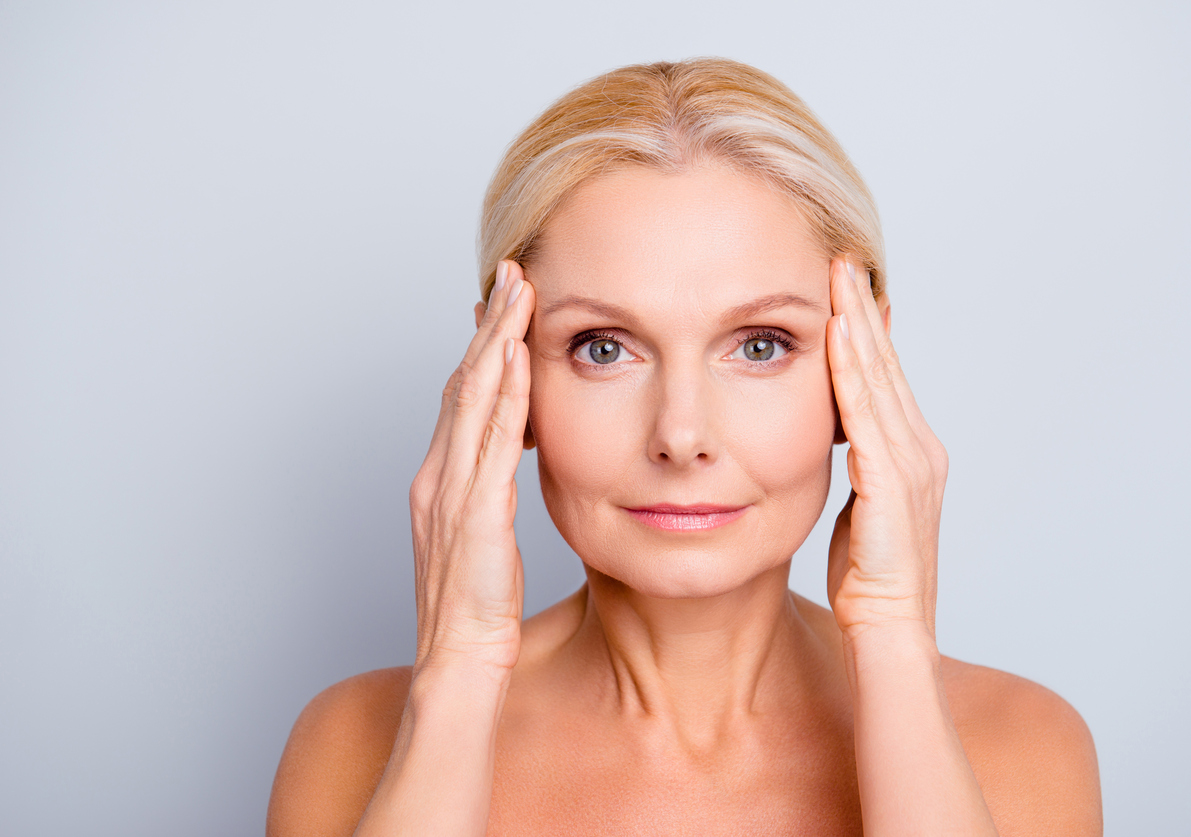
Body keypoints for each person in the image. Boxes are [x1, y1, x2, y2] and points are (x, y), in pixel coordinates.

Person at [266, 58, 1102, 836]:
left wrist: (891, 637)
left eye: (761, 343)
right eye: (603, 346)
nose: (681, 435)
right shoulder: (355, 743)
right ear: (505, 370)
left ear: (863, 367)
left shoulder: (1020, 743)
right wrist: (456, 670)